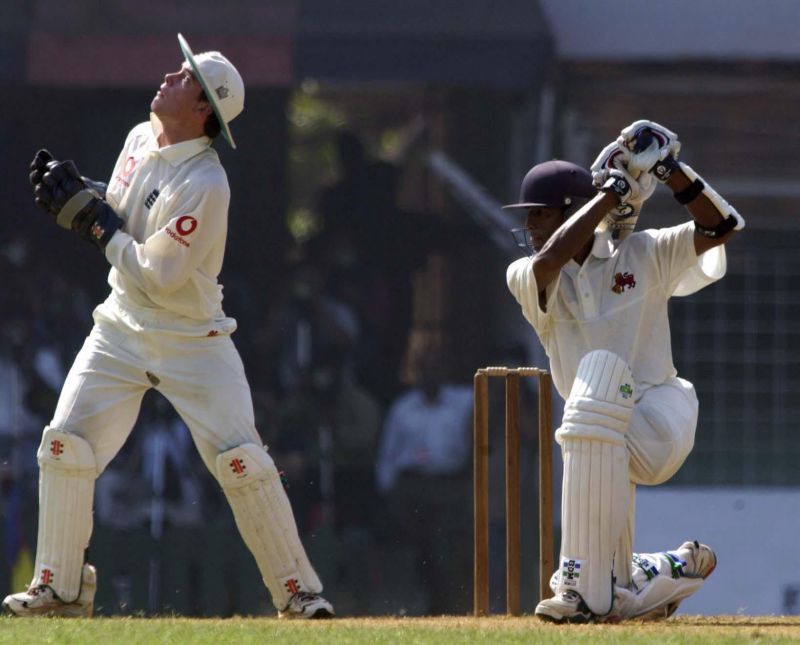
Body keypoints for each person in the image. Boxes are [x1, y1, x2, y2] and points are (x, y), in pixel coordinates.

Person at [3, 34, 333, 619]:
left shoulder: (207, 184)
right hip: (121, 326)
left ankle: (298, 593)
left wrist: (98, 227)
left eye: (182, 77)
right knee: (63, 445)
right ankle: (60, 588)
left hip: (192, 339)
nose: (168, 77)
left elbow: (160, 272)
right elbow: (128, 220)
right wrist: (85, 200)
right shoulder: (138, 136)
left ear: (203, 106)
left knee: (242, 462)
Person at [504, 120, 744, 623]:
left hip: (660, 415)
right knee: (586, 415)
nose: (530, 230)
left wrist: (670, 170)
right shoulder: (527, 275)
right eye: (527, 220)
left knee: (591, 396)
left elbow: (722, 226)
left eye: (540, 216)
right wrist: (610, 198)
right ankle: (653, 574)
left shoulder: (645, 252)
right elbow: (550, 261)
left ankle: (573, 582)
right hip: (596, 436)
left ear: (570, 212)